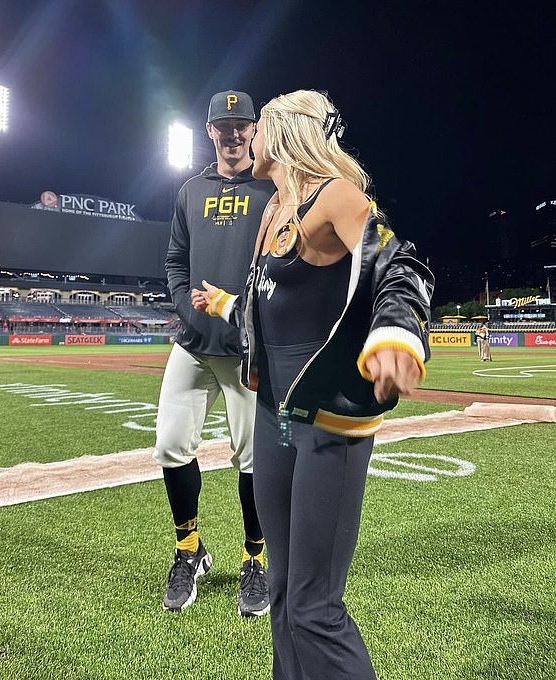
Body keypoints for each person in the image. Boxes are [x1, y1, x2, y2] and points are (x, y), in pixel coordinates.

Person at [192, 90, 434, 679]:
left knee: (313, 607)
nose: (248, 138)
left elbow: (400, 265)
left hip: (329, 422)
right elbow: (274, 304)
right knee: (281, 588)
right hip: (276, 418)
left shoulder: (338, 197)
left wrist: (398, 334)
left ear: (285, 132)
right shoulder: (275, 209)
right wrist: (227, 305)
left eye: (261, 126)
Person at [153, 90, 276, 616]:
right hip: (193, 344)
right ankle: (190, 550)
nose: (232, 134)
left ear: (254, 130)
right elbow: (175, 260)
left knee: (252, 459)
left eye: (241, 125)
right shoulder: (189, 190)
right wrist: (187, 309)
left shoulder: (273, 188)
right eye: (222, 126)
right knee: (170, 445)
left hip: (245, 348)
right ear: (209, 131)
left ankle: (256, 560)